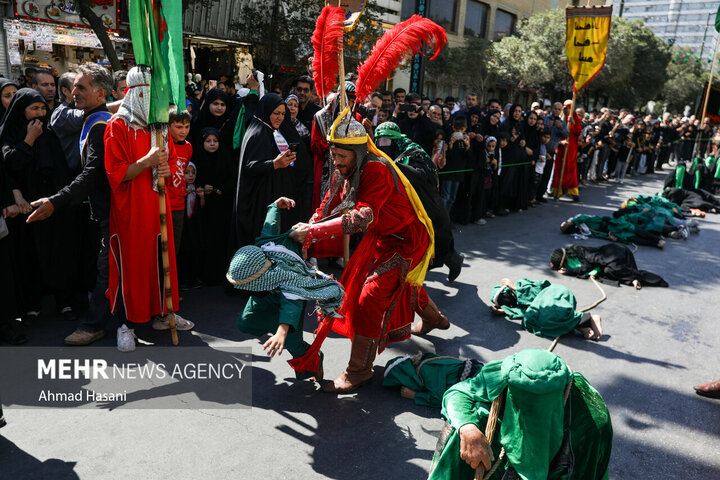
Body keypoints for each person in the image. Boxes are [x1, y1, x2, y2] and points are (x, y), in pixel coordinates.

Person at [292, 110, 442, 393]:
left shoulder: (376, 169)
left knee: (367, 298)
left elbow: (362, 218)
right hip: (383, 237)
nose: (335, 162)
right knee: (398, 283)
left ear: (358, 152)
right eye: (333, 155)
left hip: (408, 239)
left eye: (341, 156)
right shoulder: (343, 167)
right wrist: (310, 226)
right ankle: (434, 318)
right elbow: (328, 203)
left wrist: (312, 233)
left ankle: (359, 371)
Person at [103, 66, 194, 351]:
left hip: (157, 205)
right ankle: (125, 325)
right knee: (133, 267)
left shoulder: (159, 126)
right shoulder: (117, 126)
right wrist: (148, 160)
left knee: (160, 259)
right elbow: (116, 174)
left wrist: (162, 167)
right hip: (131, 209)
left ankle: (162, 314)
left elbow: (161, 171)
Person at [26, 63, 114, 345]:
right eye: (74, 86)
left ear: (100, 95)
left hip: (112, 209)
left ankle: (94, 324)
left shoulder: (100, 125)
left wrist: (55, 201)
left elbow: (92, 173)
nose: (73, 92)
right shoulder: (92, 118)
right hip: (98, 208)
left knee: (106, 268)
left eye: (81, 87)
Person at [428, 349, 612, 480]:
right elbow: (457, 393)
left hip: (559, 464)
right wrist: (468, 430)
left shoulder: (591, 420)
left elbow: (582, 472)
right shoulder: (509, 372)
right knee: (464, 421)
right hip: (509, 445)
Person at [227, 197, 344, 381]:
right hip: (264, 297)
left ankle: (315, 363)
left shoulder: (289, 277)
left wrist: (282, 332)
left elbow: (291, 304)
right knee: (245, 321)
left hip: (288, 300)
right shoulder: (264, 247)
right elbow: (269, 227)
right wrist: (275, 206)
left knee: (293, 344)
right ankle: (276, 325)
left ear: (258, 278)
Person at [1, 88, 77, 322]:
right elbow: (10, 166)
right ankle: (32, 303)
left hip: (51, 202)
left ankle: (64, 301)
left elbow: (60, 168)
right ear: (20, 111)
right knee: (29, 254)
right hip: (24, 205)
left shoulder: (49, 132)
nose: (40, 113)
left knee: (58, 250)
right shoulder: (9, 134)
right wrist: (29, 140)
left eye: (43, 108)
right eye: (34, 108)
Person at [374, 121, 463, 282]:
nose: (383, 145)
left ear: (396, 140)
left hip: (426, 204)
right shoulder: (381, 154)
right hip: (403, 208)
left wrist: (396, 168)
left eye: (387, 141)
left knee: (436, 240)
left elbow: (421, 174)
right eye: (380, 141)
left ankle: (453, 260)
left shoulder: (414, 152)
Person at [234, 93, 310, 248]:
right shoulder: (258, 133)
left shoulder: (269, 130)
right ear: (266, 110)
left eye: (283, 114)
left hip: (268, 196)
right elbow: (249, 167)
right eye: (276, 113)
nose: (280, 118)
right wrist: (274, 164)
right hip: (256, 202)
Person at [490, 278, 603, 341]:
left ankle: (589, 318)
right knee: (535, 320)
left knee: (545, 315)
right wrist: (504, 311)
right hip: (550, 306)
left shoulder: (521, 285)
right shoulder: (513, 305)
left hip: (555, 294)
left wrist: (516, 288)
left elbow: (539, 289)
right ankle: (580, 326)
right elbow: (523, 311)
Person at [192, 127, 235, 284]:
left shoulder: (225, 157)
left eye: (215, 141)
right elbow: (191, 179)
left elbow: (232, 179)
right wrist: (201, 187)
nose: (212, 144)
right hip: (202, 209)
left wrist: (220, 189)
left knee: (220, 240)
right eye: (208, 141)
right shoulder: (197, 158)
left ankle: (220, 275)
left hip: (221, 207)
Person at [550, 243, 668, 289]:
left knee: (611, 271)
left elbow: (587, 267)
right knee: (622, 271)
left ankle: (635, 279)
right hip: (617, 250)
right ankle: (632, 278)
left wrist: (570, 271)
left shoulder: (581, 253)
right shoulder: (575, 249)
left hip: (615, 258)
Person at [167, 107, 193, 264]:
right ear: (169, 126)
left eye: (187, 127)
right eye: (178, 127)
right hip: (163, 202)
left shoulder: (188, 147)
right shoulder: (164, 143)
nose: (183, 131)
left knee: (174, 248)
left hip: (179, 203)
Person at [178, 162, 204, 287]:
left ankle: (193, 278)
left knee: (194, 249)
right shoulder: (179, 187)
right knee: (183, 250)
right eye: (187, 172)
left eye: (193, 173)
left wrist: (201, 196)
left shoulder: (196, 187)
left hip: (194, 224)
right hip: (183, 225)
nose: (190, 175)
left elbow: (202, 205)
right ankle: (182, 279)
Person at [551, 100, 582, 200]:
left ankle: (573, 192)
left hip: (571, 148)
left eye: (569, 108)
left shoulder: (575, 118)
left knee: (570, 169)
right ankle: (557, 191)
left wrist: (573, 123)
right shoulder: (560, 118)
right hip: (561, 147)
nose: (567, 110)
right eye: (566, 108)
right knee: (559, 168)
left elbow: (578, 132)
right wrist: (560, 142)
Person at [440, 116, 470, 214]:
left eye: (462, 129)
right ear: (453, 128)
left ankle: (447, 219)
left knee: (452, 198)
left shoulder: (466, 139)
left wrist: (468, 146)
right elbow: (448, 156)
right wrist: (451, 145)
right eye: (457, 130)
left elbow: (468, 157)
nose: (459, 132)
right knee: (445, 197)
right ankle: (442, 220)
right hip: (449, 171)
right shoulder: (449, 138)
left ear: (465, 129)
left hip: (459, 172)